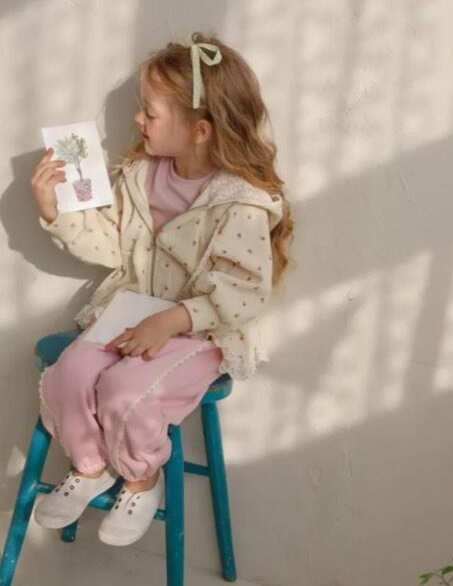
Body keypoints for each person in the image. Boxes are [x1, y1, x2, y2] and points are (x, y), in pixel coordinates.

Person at [29, 31, 295, 546]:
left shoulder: (239, 200)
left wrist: (171, 320)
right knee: (69, 375)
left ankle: (140, 478)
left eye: (149, 113)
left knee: (123, 392)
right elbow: (111, 243)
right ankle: (90, 467)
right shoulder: (139, 176)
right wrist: (53, 210)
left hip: (197, 331)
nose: (137, 120)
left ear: (199, 130)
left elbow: (244, 289)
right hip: (127, 313)